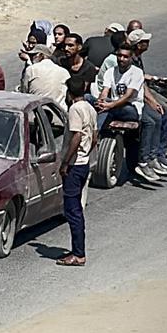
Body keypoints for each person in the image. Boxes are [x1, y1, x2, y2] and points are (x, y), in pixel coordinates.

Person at [95, 44, 161, 183]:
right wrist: (101, 101)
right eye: (119, 56)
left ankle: (145, 161)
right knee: (90, 100)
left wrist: (109, 105)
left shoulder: (136, 73)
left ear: (131, 58)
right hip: (114, 106)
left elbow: (128, 95)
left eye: (125, 56)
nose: (121, 59)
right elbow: (105, 90)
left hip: (131, 108)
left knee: (150, 121)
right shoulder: (110, 72)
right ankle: (94, 140)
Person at [127, 19, 167, 160]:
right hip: (138, 91)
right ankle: (165, 148)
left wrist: (157, 78)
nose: (148, 43)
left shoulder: (136, 57)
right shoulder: (130, 58)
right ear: (138, 45)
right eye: (145, 41)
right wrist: (152, 101)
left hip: (142, 87)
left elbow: (140, 75)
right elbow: (136, 80)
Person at [57, 77, 97, 267]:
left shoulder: (75, 109)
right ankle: (77, 250)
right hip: (84, 164)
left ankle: (78, 254)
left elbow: (77, 136)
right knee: (76, 209)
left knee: (73, 211)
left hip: (74, 166)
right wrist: (85, 154)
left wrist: (66, 162)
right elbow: (94, 138)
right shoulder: (90, 108)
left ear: (69, 93)